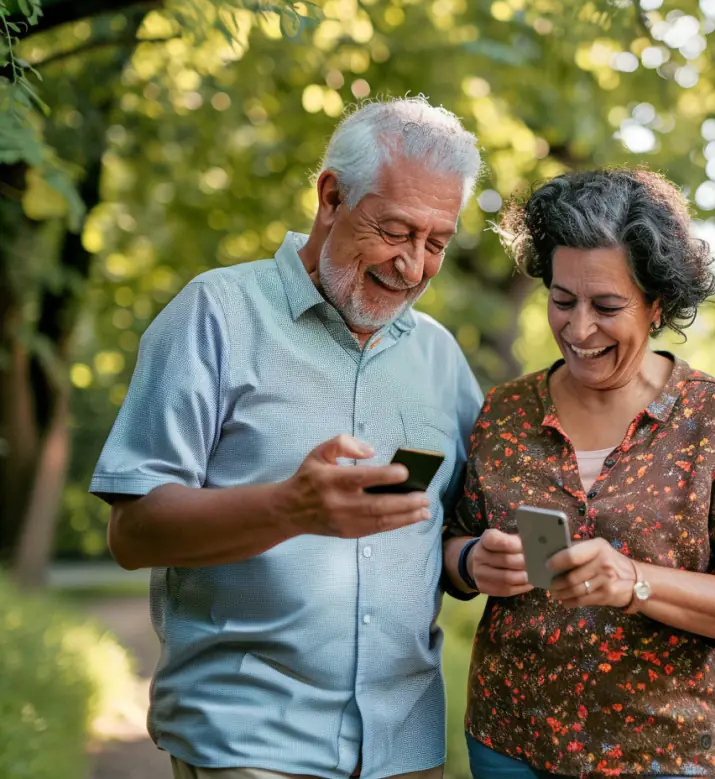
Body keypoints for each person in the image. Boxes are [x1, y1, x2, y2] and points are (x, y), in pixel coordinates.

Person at [90, 97, 484, 779]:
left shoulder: (441, 359)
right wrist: (291, 508)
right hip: (249, 741)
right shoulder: (214, 314)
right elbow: (135, 532)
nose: (414, 266)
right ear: (331, 196)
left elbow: (455, 535)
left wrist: (484, 558)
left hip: (406, 745)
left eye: (437, 243)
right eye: (395, 230)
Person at [443, 169, 715, 778]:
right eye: (562, 301)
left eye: (606, 307)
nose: (579, 331)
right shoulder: (504, 411)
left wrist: (635, 581)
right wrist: (472, 561)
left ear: (657, 305)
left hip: (666, 752)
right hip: (510, 745)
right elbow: (449, 547)